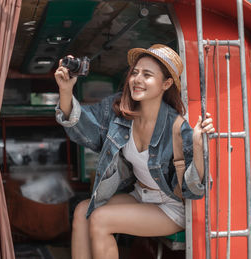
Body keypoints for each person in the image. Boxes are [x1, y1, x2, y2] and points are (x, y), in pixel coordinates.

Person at [54, 44, 214, 259]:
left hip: (170, 206)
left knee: (101, 219)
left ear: (166, 84)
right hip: (141, 194)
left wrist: (197, 146)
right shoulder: (120, 109)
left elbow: (193, 191)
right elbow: (86, 129)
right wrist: (66, 90)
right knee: (83, 211)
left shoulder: (177, 128)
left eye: (147, 75)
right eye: (135, 72)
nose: (137, 79)